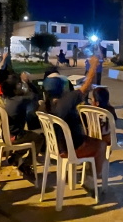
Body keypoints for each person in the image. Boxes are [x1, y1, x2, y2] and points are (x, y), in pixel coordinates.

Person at [44, 55, 106, 192]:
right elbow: (87, 85)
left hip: (56, 147)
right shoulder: (67, 100)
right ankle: (91, 180)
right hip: (72, 148)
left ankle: (89, 176)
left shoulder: (46, 103)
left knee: (90, 140)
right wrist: (93, 66)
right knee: (100, 145)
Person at [2, 74, 44, 178]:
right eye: (19, 85)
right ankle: (26, 165)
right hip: (16, 136)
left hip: (5, 135)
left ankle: (15, 157)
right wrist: (27, 83)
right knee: (38, 139)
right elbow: (34, 96)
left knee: (29, 137)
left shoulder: (6, 99)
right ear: (15, 89)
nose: (21, 86)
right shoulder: (20, 100)